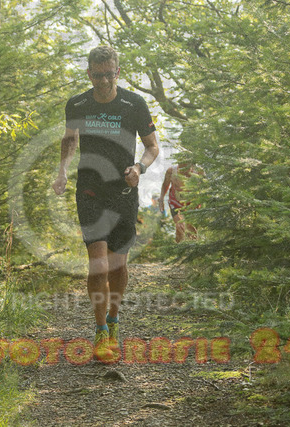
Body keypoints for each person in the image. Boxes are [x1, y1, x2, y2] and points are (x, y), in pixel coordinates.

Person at [52, 45, 159, 360]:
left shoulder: (134, 104)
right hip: (90, 192)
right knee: (98, 265)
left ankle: (113, 321)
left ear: (117, 72)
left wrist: (139, 168)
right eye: (97, 76)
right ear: (89, 74)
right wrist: (62, 172)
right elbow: (70, 139)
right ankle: (100, 334)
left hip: (123, 192)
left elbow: (152, 147)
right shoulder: (78, 103)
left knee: (118, 266)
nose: (103, 81)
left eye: (109, 75)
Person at [159, 162, 200, 242]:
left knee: (190, 226)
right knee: (179, 226)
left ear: (191, 166)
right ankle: (178, 247)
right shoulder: (171, 171)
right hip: (175, 201)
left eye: (186, 169)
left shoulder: (198, 172)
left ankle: (194, 245)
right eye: (181, 168)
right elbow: (165, 185)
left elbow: (205, 187)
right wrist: (161, 200)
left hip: (192, 202)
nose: (183, 172)